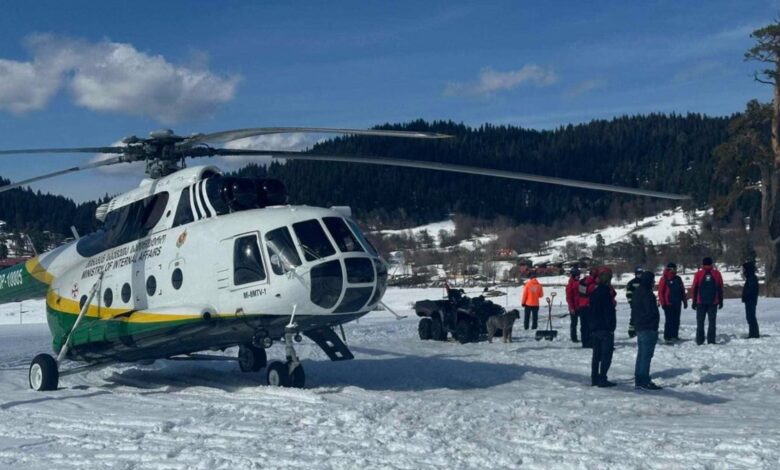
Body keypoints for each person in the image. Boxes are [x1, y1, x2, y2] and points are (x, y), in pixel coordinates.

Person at [630, 271, 662, 390]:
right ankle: (644, 380)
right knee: (646, 355)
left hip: (640, 326)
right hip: (648, 327)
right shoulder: (647, 293)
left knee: (641, 354)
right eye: (653, 280)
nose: (654, 283)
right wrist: (654, 324)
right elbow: (650, 311)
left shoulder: (637, 291)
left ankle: (639, 378)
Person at [589, 266, 617, 387]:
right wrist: (611, 326)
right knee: (606, 355)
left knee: (596, 355)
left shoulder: (595, 292)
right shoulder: (605, 293)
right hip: (605, 328)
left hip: (595, 327)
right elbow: (608, 312)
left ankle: (594, 378)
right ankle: (602, 378)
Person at [691, 257, 724, 345]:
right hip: (713, 301)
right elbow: (720, 288)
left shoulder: (698, 274)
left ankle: (699, 340)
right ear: (711, 264)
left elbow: (694, 288)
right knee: (712, 322)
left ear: (703, 264)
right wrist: (720, 301)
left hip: (700, 301)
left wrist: (694, 301)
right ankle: (711, 340)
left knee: (700, 322)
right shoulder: (717, 273)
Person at [657, 262, 688, 342]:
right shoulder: (664, 279)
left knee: (676, 320)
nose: (674, 270)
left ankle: (675, 335)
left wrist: (684, 301)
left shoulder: (678, 278)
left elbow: (682, 290)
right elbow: (660, 292)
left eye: (675, 268)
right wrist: (663, 303)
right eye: (673, 269)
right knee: (669, 320)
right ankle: (667, 337)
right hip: (668, 303)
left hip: (677, 303)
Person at [576, 268, 598, 348]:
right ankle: (590, 341)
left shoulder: (583, 281)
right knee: (590, 325)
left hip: (582, 305)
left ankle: (584, 341)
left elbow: (580, 293)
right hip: (589, 306)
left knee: (583, 325)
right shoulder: (594, 284)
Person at [742, 261, 760, 338]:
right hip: (749, 300)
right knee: (750, 317)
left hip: (751, 300)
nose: (743, 271)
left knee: (751, 317)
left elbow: (751, 290)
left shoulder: (752, 278)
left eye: (744, 269)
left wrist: (745, 296)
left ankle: (754, 334)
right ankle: (753, 333)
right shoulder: (750, 277)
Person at [625, 267, 643, 338]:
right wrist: (631, 302)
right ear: (635, 274)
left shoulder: (644, 282)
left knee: (642, 318)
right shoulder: (631, 283)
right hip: (635, 303)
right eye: (638, 273)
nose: (640, 275)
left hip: (643, 303)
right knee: (634, 318)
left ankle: (640, 330)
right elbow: (629, 293)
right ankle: (631, 332)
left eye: (641, 273)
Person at [565, 266, 581, 342]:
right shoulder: (570, 285)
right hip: (574, 307)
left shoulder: (579, 283)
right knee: (574, 323)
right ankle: (574, 337)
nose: (579, 276)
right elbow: (569, 298)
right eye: (578, 275)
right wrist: (571, 308)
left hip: (581, 306)